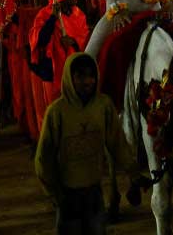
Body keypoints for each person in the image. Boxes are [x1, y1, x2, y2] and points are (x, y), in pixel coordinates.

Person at [34, 52, 146, 235]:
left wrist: (133, 173)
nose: (88, 81)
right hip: (67, 196)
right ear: (70, 78)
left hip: (94, 195)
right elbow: (43, 158)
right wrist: (53, 193)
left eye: (91, 75)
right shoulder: (56, 112)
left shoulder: (103, 106)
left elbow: (118, 143)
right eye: (80, 76)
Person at [29, 0, 90, 104]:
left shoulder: (79, 14)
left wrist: (73, 41)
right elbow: (39, 41)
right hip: (51, 72)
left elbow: (85, 37)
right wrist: (53, 18)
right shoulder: (44, 14)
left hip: (74, 72)